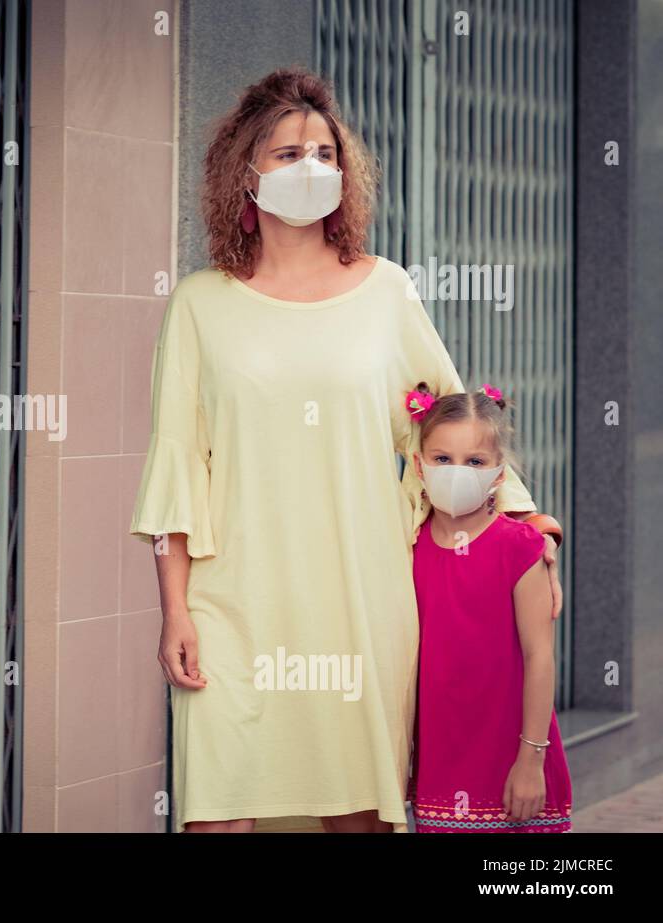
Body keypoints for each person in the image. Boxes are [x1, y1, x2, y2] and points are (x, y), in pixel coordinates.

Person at [128, 67, 565, 834]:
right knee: (218, 810)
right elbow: (177, 465)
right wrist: (174, 611)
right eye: (288, 153)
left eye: (325, 153)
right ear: (246, 173)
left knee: (357, 814)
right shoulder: (198, 304)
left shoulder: (385, 291)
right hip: (232, 601)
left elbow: (453, 426)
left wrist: (527, 525)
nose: (312, 167)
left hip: (361, 593)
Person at [406, 383, 573, 832]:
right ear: (419, 465)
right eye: (443, 459)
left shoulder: (520, 548)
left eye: (475, 462)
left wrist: (531, 761)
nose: (456, 472)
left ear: (500, 474)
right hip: (442, 760)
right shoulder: (408, 547)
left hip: (514, 756)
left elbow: (540, 657)